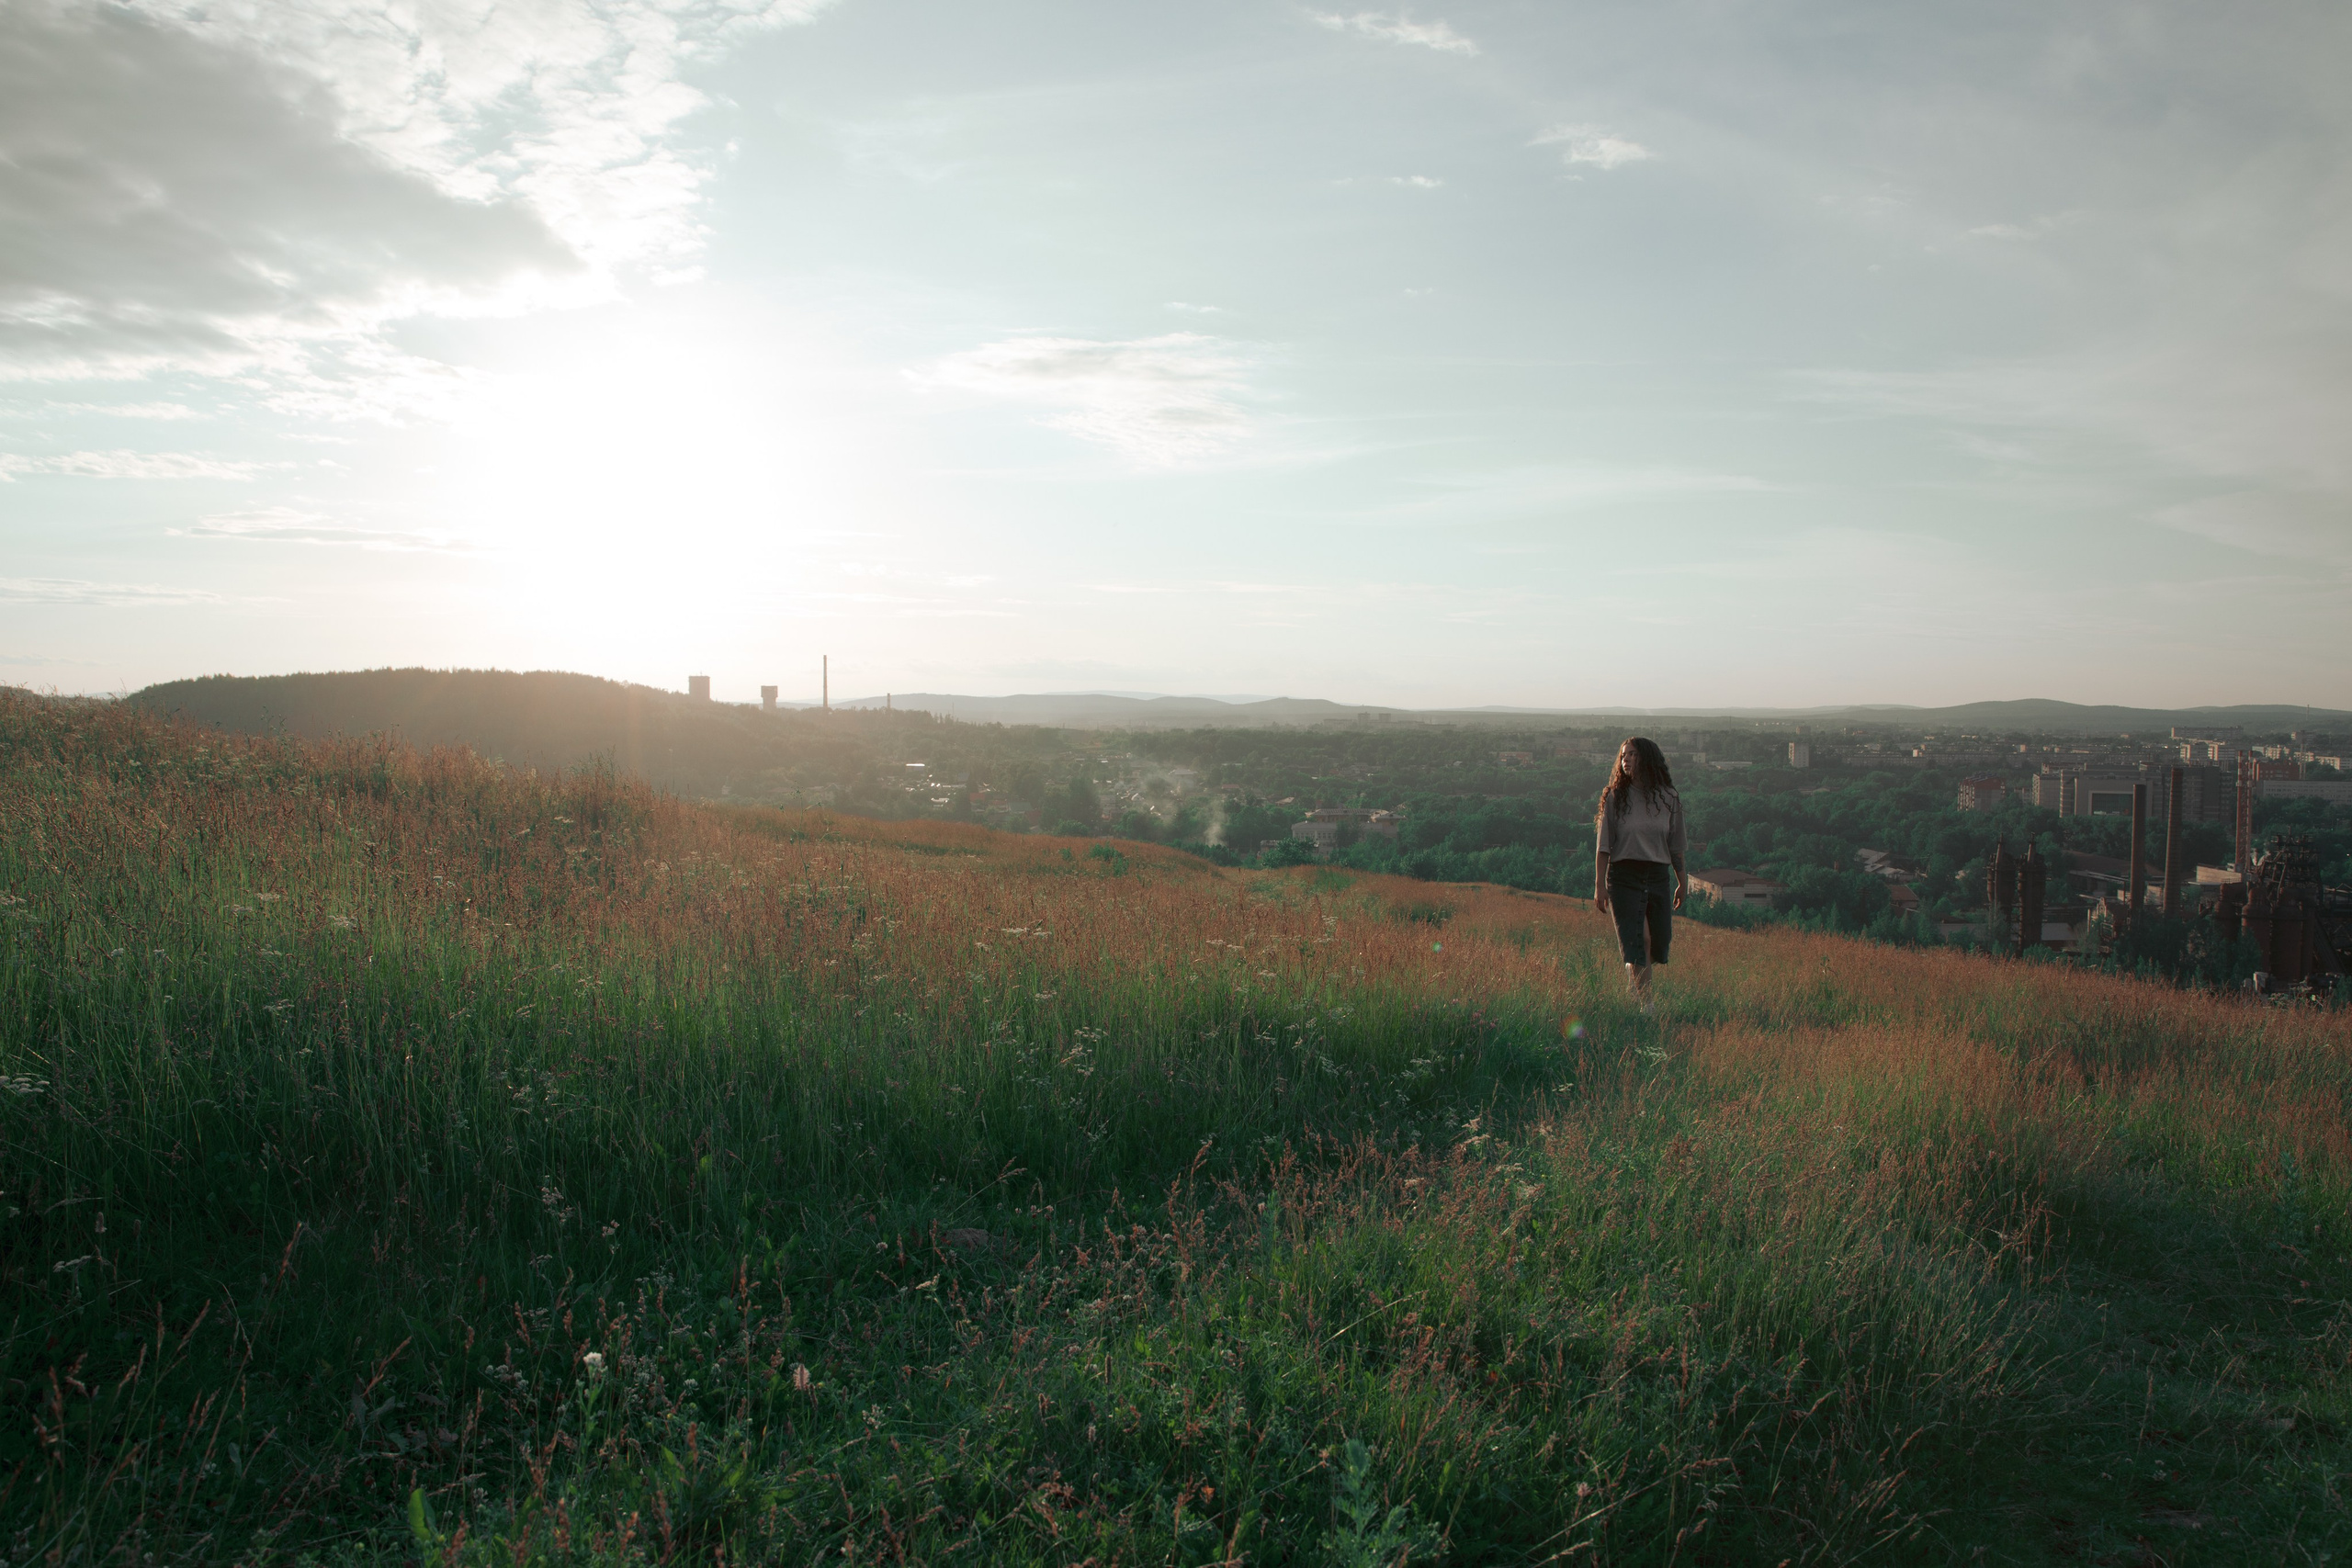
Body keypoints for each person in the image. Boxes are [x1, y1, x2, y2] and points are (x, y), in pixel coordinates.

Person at [1591, 737, 1686, 1010]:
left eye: (1632, 754)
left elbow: (1676, 846)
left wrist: (1683, 883)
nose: (1626, 760)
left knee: (1656, 942)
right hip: (1624, 876)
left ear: (1647, 757)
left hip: (1657, 875)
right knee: (1639, 938)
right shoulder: (1615, 797)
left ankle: (1634, 982)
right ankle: (1647, 1006)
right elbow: (1603, 846)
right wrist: (1600, 885)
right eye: (1623, 756)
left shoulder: (1669, 797)